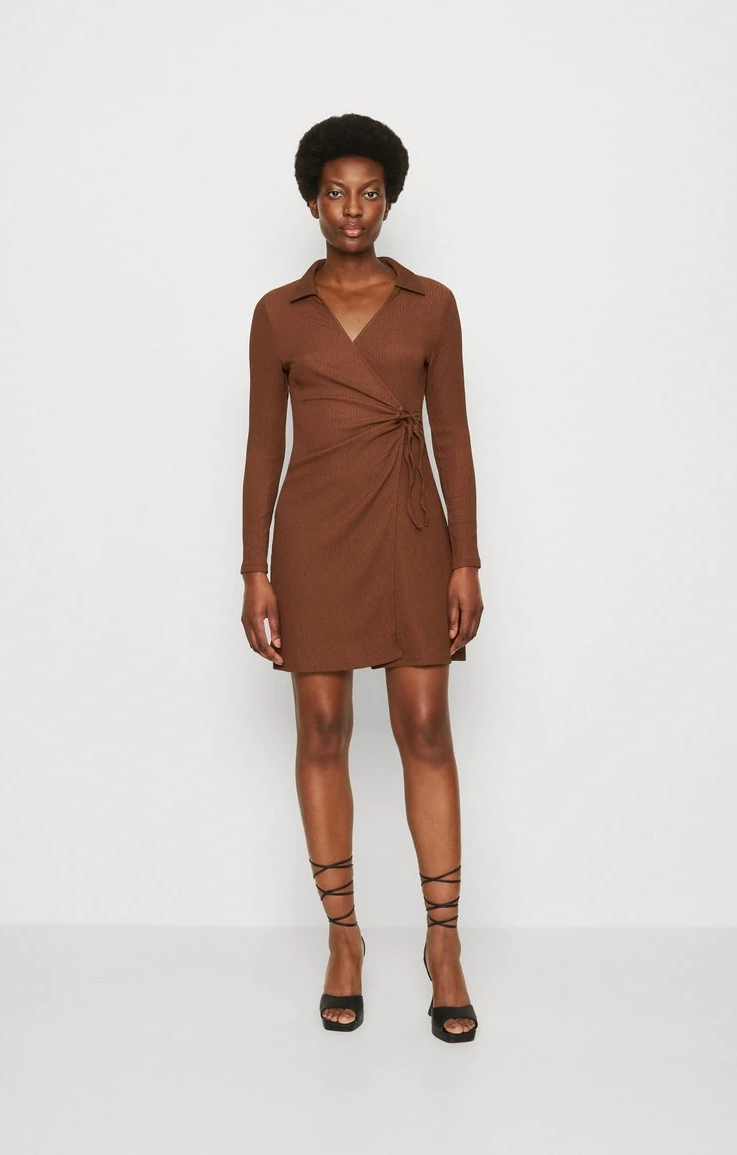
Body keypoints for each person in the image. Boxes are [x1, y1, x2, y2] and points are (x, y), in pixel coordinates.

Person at [240, 113, 484, 1042]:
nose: (353, 208)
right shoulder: (278, 313)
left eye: (370, 192)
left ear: (390, 203)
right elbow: (263, 446)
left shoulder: (432, 304)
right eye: (336, 192)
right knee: (322, 727)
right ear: (312, 202)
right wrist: (254, 569)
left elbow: (453, 435)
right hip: (313, 536)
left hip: (411, 532)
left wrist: (466, 557)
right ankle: (344, 939)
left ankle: (443, 943)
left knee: (424, 726)